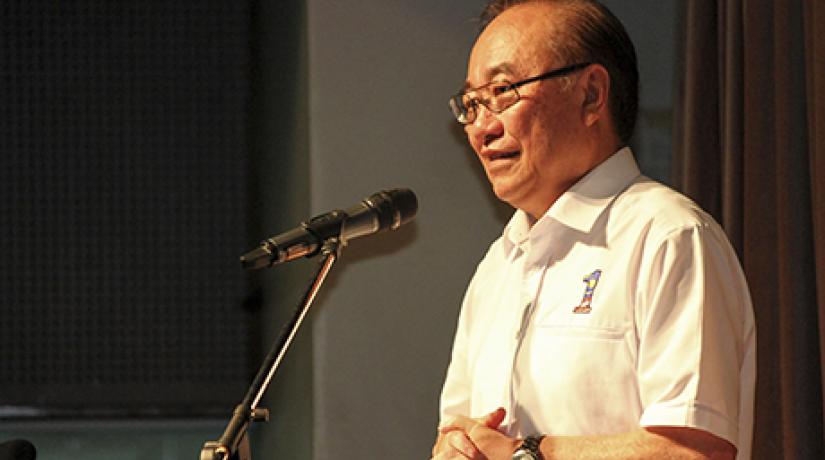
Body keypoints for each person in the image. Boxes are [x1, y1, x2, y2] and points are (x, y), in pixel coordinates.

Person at [432, 1, 756, 459]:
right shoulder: (497, 265)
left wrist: (527, 453)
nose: (482, 127)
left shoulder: (668, 238)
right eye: (472, 104)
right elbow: (458, 435)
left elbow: (694, 451)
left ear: (591, 95)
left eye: (503, 92)